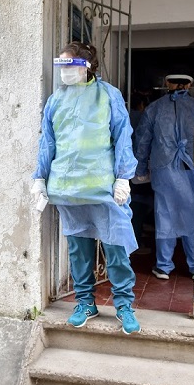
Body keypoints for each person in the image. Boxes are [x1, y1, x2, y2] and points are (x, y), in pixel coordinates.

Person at [31, 42, 141, 334]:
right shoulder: (56, 100)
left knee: (116, 247)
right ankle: (85, 303)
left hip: (103, 187)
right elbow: (48, 142)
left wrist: (123, 177)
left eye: (70, 65)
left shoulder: (108, 95)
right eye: (61, 65)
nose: (64, 72)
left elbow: (122, 136)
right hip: (68, 187)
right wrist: (40, 177)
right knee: (79, 249)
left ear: (87, 66)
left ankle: (124, 305)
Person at [134, 74, 194, 280]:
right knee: (193, 218)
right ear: (191, 84)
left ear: (166, 83)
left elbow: (142, 143)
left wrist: (140, 171)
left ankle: (164, 266)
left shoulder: (154, 108)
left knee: (164, 215)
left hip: (163, 170)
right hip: (193, 169)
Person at [129, 92, 153, 255]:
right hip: (139, 167)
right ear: (142, 105)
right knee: (139, 204)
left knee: (131, 205)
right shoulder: (143, 118)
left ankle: (135, 236)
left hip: (124, 167)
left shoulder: (124, 115)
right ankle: (136, 241)